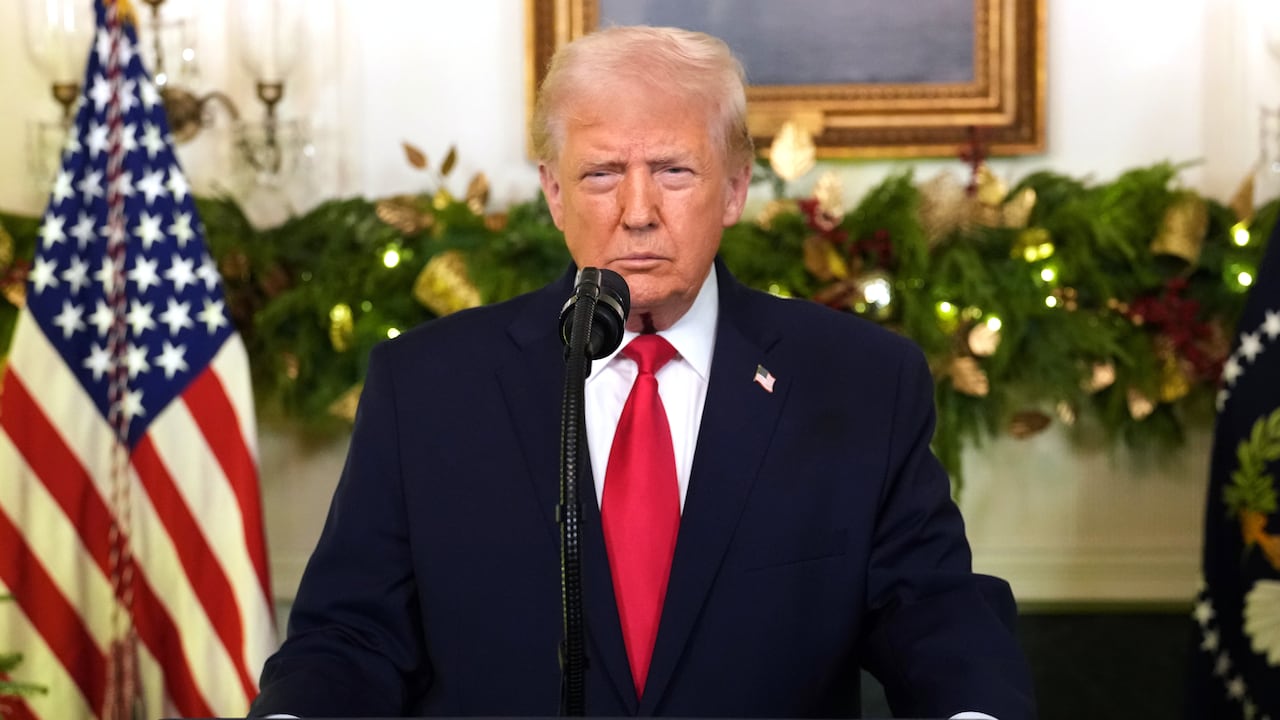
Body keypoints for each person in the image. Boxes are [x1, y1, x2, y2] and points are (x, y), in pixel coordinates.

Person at [250, 25, 1035, 720]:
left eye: (673, 171)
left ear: (733, 188)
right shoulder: (427, 386)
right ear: (553, 194)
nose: (636, 210)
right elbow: (352, 635)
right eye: (599, 175)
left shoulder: (861, 379)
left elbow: (928, 607)